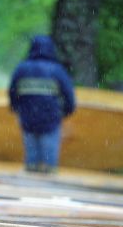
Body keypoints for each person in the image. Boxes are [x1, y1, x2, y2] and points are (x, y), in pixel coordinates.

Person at [9, 35, 75, 173]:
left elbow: (12, 93)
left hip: (28, 120)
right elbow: (69, 97)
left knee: (31, 162)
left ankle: (29, 188)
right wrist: (65, 112)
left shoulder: (21, 69)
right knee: (49, 164)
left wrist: (16, 109)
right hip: (51, 121)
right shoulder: (57, 70)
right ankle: (49, 187)